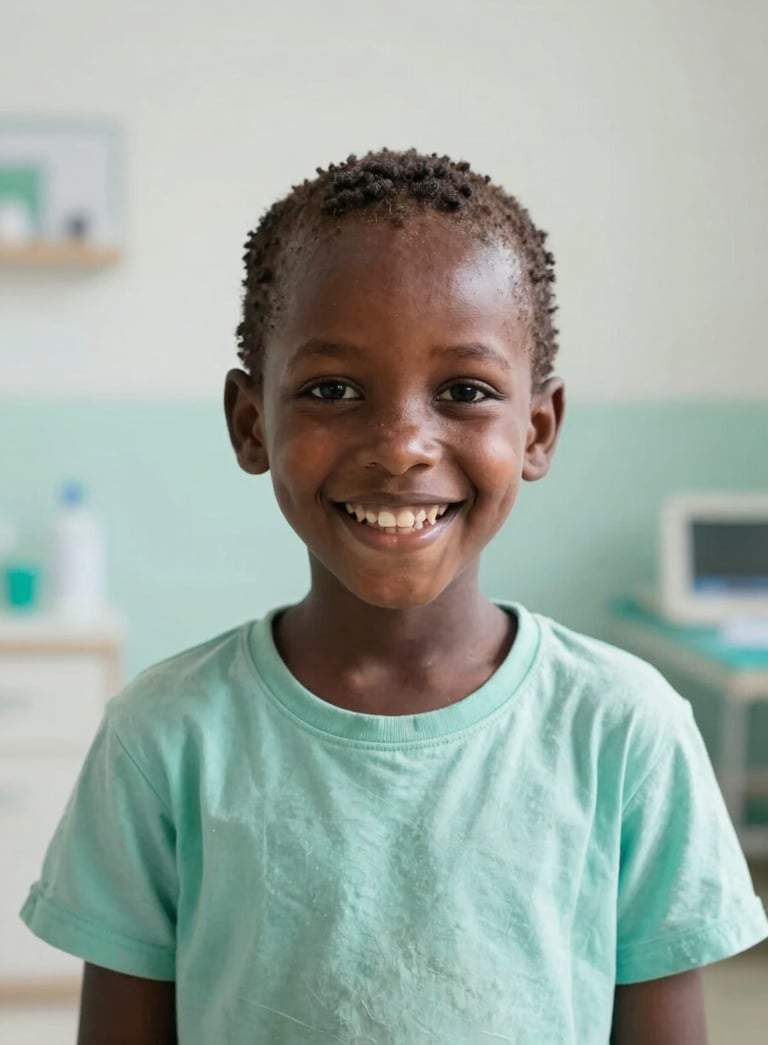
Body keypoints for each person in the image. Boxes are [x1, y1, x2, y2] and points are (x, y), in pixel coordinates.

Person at [21, 148, 768, 1044]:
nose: (404, 444)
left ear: (537, 428)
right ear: (252, 422)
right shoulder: (163, 738)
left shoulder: (626, 732)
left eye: (465, 391)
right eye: (333, 389)